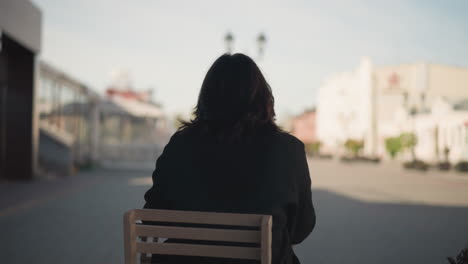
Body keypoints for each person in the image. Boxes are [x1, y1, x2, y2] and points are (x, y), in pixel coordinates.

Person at [143, 53, 316, 264]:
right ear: (262, 97)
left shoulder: (181, 144)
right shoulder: (289, 149)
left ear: (206, 97)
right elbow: (300, 230)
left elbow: (153, 215)